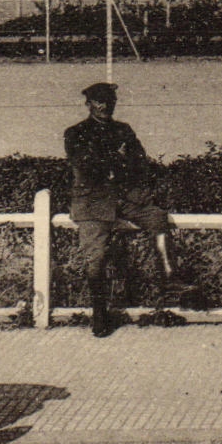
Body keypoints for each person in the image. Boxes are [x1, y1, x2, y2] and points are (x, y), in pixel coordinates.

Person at [64, 82, 191, 337]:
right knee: (96, 257)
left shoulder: (123, 130)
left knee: (157, 218)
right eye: (99, 101)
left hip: (124, 199)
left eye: (109, 100)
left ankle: (170, 278)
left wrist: (117, 162)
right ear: (88, 104)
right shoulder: (75, 133)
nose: (105, 106)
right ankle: (99, 314)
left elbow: (139, 162)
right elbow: (87, 166)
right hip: (93, 204)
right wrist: (117, 158)